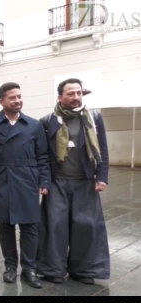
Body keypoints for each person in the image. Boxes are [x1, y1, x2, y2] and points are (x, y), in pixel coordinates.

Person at [37, 78, 110, 285]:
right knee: (55, 226)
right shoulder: (47, 121)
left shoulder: (93, 118)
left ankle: (83, 270)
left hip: (85, 181)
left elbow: (102, 149)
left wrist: (102, 176)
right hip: (57, 182)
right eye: (71, 93)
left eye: (78, 93)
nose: (76, 97)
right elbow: (42, 155)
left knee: (86, 225)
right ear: (60, 97)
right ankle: (53, 269)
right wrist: (44, 181)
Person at [0, 82, 50, 288]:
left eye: (19, 96)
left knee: (30, 226)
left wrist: (44, 180)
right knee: (6, 225)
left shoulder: (34, 125)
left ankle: (29, 269)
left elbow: (43, 156)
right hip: (1, 180)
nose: (17, 100)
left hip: (27, 179)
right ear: (1, 101)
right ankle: (10, 267)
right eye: (12, 98)